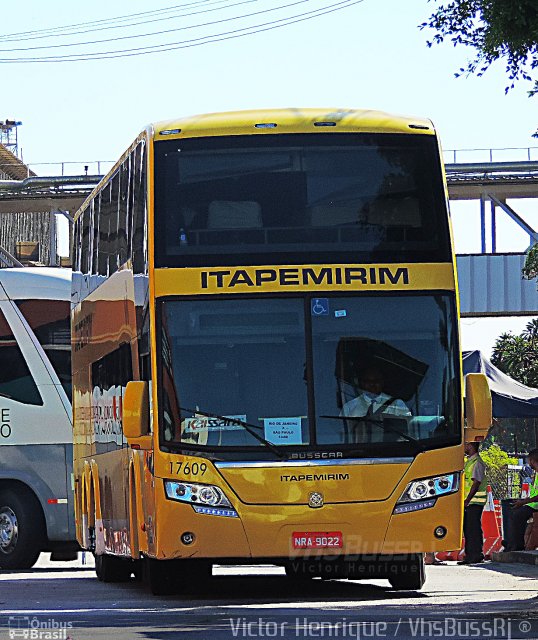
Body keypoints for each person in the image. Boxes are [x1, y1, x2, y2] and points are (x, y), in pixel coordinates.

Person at [340, 366, 411, 442]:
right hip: (359, 451)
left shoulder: (397, 404)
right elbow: (343, 434)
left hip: (388, 451)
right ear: (361, 383)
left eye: (376, 381)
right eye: (368, 381)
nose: (372, 384)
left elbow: (407, 432)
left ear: (382, 383)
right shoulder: (350, 407)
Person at [459, 440, 488, 565]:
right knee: (468, 529)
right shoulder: (469, 462)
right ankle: (470, 555)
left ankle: (476, 554)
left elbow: (476, 483)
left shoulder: (477, 463)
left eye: (465, 444)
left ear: (471, 446)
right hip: (469, 502)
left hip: (474, 502)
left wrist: (467, 500)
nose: (464, 447)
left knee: (473, 529)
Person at [505, 448, 538, 552]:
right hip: (533, 504)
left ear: (533, 460)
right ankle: (511, 542)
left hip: (535, 505)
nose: (528, 463)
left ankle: (517, 545)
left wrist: (524, 502)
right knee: (512, 512)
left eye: (529, 461)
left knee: (517, 515)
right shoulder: (536, 474)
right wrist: (523, 501)